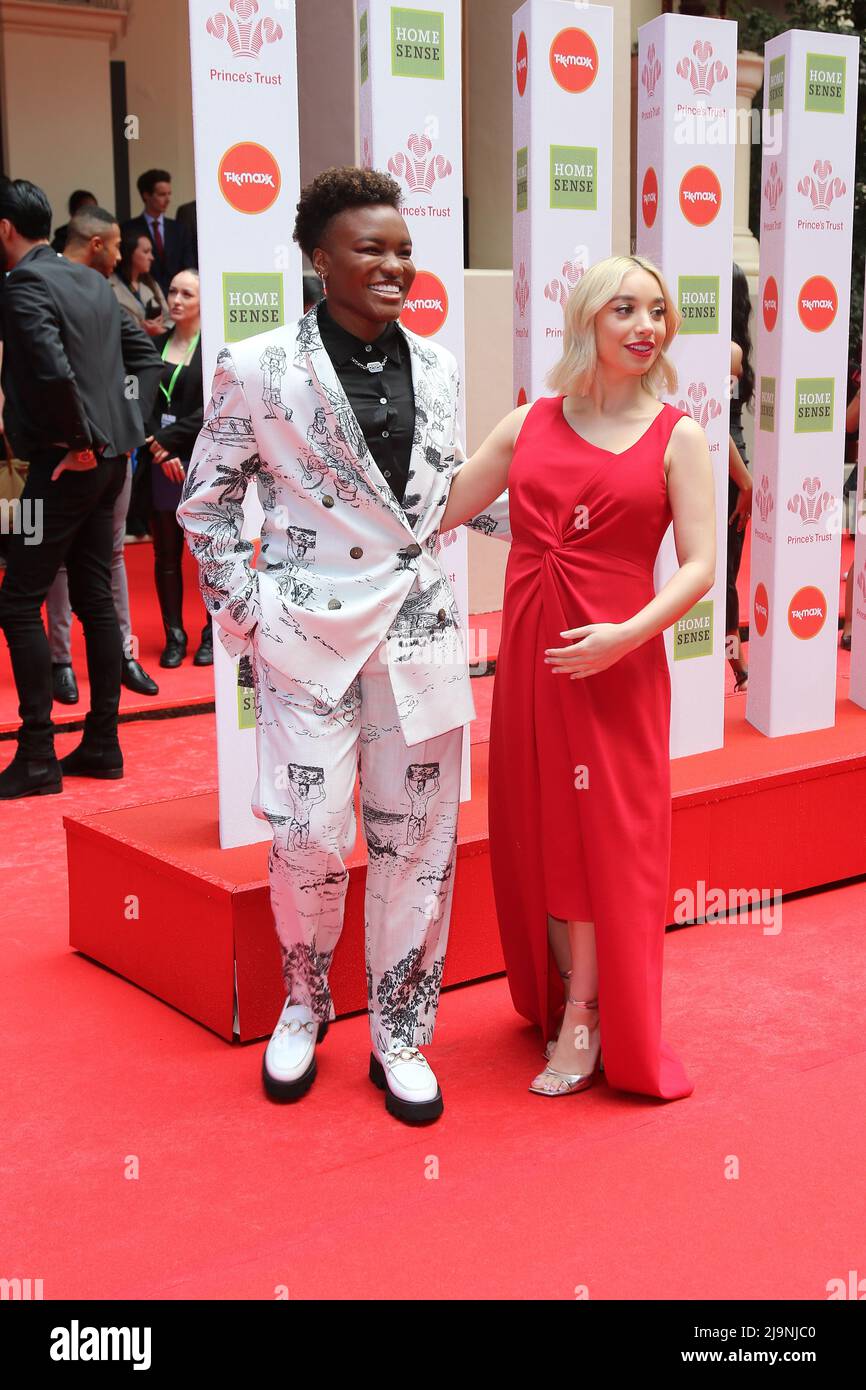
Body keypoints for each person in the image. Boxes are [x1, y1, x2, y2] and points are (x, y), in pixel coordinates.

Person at [177, 166, 509, 1123]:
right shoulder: (256, 365)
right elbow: (208, 502)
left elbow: (442, 498)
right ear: (320, 260)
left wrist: (557, 518)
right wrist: (246, 615)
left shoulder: (440, 366)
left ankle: (400, 1032)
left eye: (404, 248)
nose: (395, 265)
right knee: (308, 836)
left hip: (417, 639)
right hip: (306, 640)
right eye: (371, 248)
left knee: (420, 845)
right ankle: (303, 1000)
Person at [440, 254, 715, 1101]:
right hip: (531, 657)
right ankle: (565, 994)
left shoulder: (681, 434)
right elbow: (441, 506)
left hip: (618, 663)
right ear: (587, 321)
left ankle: (589, 1013)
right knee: (540, 823)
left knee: (607, 834)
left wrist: (626, 637)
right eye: (624, 309)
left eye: (657, 311)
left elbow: (701, 566)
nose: (645, 326)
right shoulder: (529, 424)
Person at [0, 179, 162, 800]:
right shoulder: (92, 283)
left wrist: (79, 439)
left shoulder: (25, 285)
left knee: (17, 600)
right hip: (109, 465)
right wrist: (123, 431)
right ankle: (102, 742)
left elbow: (48, 368)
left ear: (6, 230)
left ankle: (38, 753)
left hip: (60, 469)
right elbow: (145, 360)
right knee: (95, 598)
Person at [46, 206, 160, 701]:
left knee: (111, 553)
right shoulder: (35, 286)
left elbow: (145, 359)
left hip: (112, 451)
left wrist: (125, 411)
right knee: (52, 559)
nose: (120, 254)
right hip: (51, 453)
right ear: (95, 244)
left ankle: (121, 655)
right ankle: (60, 663)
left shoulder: (107, 296)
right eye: (116, 245)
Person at [144, 268, 211, 667]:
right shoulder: (155, 347)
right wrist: (161, 450)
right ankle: (174, 635)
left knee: (206, 554)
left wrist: (173, 446)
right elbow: (142, 404)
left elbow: (212, 408)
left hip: (199, 462)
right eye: (172, 291)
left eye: (187, 293)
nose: (176, 299)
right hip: (160, 463)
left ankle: (209, 633)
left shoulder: (212, 347)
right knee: (165, 554)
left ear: (203, 301)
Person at [726, 263, 754, 691]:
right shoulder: (729, 350)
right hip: (731, 470)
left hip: (728, 466)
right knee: (723, 570)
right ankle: (739, 666)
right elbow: (718, 422)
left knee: (724, 570)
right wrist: (746, 482)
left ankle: (738, 664)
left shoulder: (727, 350)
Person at [122, 169, 196, 298]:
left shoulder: (179, 229)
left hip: (178, 297)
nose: (167, 199)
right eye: (162, 194)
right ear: (146, 195)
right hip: (144, 297)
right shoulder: (129, 229)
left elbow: (188, 266)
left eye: (169, 194)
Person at [109, 229, 170, 337]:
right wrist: (142, 330)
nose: (151, 257)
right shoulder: (109, 286)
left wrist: (160, 329)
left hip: (157, 345)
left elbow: (169, 318)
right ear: (130, 253)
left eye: (151, 252)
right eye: (146, 252)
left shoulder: (152, 284)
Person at [50, 189, 97, 254]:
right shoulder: (60, 243)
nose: (91, 215)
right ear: (72, 212)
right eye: (84, 211)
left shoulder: (103, 238)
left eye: (94, 210)